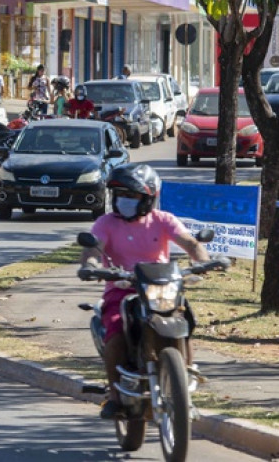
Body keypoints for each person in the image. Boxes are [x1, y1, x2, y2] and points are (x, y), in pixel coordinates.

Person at [79, 163, 209, 420]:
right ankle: (114, 398)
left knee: (184, 321)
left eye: (132, 195)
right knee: (115, 331)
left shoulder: (163, 220)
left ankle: (185, 383)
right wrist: (91, 265)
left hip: (161, 288)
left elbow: (191, 243)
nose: (125, 200)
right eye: (121, 195)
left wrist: (203, 261)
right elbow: (93, 249)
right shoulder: (106, 222)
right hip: (122, 290)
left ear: (149, 198)